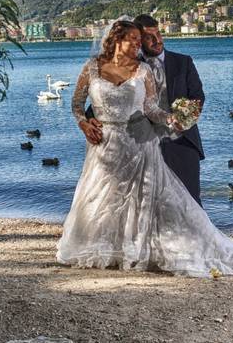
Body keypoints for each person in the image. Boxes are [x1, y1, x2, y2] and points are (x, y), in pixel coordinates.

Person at [57, 21, 233, 277]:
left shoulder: (143, 71)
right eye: (133, 40)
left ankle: (140, 248)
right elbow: (77, 104)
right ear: (115, 40)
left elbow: (151, 108)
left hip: (140, 145)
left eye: (140, 41)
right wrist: (84, 124)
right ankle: (109, 249)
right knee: (104, 198)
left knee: (145, 200)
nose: (138, 46)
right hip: (104, 147)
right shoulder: (92, 68)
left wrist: (172, 119)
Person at [80, 14, 205, 205]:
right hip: (143, 145)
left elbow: (197, 97)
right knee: (149, 205)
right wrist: (90, 121)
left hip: (182, 143)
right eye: (149, 36)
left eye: (159, 34)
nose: (157, 40)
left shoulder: (183, 62)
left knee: (190, 203)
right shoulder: (131, 67)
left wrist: (183, 120)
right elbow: (107, 99)